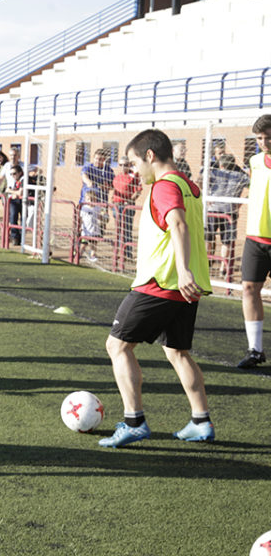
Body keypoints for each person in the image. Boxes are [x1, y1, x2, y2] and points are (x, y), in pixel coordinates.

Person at [98, 128, 213, 448]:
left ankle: (134, 421)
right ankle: (200, 421)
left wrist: (183, 270)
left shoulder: (164, 186)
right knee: (177, 352)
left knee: (117, 346)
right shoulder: (189, 186)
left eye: (134, 162)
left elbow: (177, 223)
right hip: (184, 286)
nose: (133, 170)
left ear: (150, 155)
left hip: (160, 282)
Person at [238, 114, 271, 369]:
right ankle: (255, 350)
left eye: (268, 137)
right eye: (259, 138)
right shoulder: (255, 161)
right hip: (254, 237)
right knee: (249, 290)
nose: (264, 142)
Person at [204, 153, 248, 277]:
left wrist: (206, 195)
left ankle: (208, 265)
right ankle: (223, 268)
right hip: (229, 210)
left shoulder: (215, 172)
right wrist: (240, 203)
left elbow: (200, 181)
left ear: (221, 165)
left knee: (209, 238)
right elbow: (253, 186)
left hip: (214, 210)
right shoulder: (241, 175)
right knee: (226, 241)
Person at [111, 159, 142, 260]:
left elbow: (138, 191)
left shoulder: (134, 176)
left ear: (129, 165)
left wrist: (129, 201)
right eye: (121, 165)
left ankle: (127, 253)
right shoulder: (117, 177)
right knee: (118, 230)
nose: (123, 167)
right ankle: (119, 252)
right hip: (116, 206)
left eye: (125, 165)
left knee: (127, 230)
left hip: (126, 207)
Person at [80, 189, 106, 263]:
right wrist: (79, 227)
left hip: (94, 230)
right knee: (83, 245)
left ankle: (92, 255)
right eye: (88, 199)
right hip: (86, 231)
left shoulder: (97, 208)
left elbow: (100, 217)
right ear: (85, 199)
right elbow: (81, 218)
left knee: (93, 245)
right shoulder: (84, 208)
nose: (90, 201)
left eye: (92, 199)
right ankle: (78, 255)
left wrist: (103, 218)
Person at [5, 164, 23, 245]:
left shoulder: (24, 179)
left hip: (24, 202)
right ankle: (15, 237)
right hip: (15, 201)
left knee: (24, 221)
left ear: (20, 173)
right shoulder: (15, 181)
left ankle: (21, 237)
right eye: (11, 174)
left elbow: (20, 192)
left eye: (14, 173)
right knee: (12, 217)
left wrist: (10, 191)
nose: (12, 176)